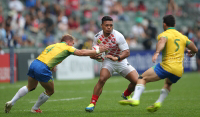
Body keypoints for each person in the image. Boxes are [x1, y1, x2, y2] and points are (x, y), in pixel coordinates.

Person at [4, 34, 108, 113]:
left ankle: (12, 102)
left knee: (30, 86)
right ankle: (35, 108)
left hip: (34, 63)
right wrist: (97, 50)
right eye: (73, 43)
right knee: (50, 90)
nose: (73, 46)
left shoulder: (52, 45)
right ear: (68, 41)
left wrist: (53, 66)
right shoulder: (67, 47)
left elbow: (47, 56)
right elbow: (80, 52)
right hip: (43, 68)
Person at [119, 15, 198, 112]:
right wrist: (192, 53)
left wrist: (157, 53)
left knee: (142, 78)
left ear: (164, 24)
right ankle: (158, 102)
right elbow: (195, 49)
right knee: (168, 84)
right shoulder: (182, 37)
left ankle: (135, 99)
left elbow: (162, 41)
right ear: (175, 25)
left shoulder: (164, 34)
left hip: (167, 66)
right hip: (179, 71)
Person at [85, 16, 139, 112]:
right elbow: (93, 53)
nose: (109, 27)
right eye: (106, 25)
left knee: (137, 81)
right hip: (108, 61)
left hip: (120, 61)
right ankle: (92, 103)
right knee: (102, 79)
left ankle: (126, 94)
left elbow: (127, 52)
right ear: (102, 26)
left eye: (111, 25)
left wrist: (117, 58)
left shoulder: (118, 36)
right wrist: (96, 56)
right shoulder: (97, 37)